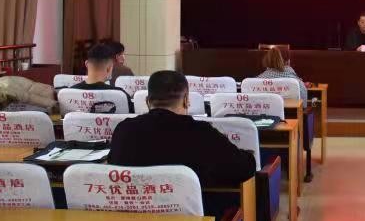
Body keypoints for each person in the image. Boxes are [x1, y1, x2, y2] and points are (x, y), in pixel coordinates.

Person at [109, 70, 256, 187]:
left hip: (131, 215)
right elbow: (245, 168)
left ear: (147, 102)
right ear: (186, 100)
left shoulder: (124, 130)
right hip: (196, 215)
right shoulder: (202, 133)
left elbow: (113, 165)